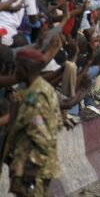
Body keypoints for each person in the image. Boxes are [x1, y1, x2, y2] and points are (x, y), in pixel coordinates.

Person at [3, 48, 61, 197]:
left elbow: (42, 134)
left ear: (27, 68)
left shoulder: (37, 95)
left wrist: (30, 169)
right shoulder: (33, 91)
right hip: (27, 163)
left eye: (18, 67)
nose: (16, 72)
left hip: (33, 167)